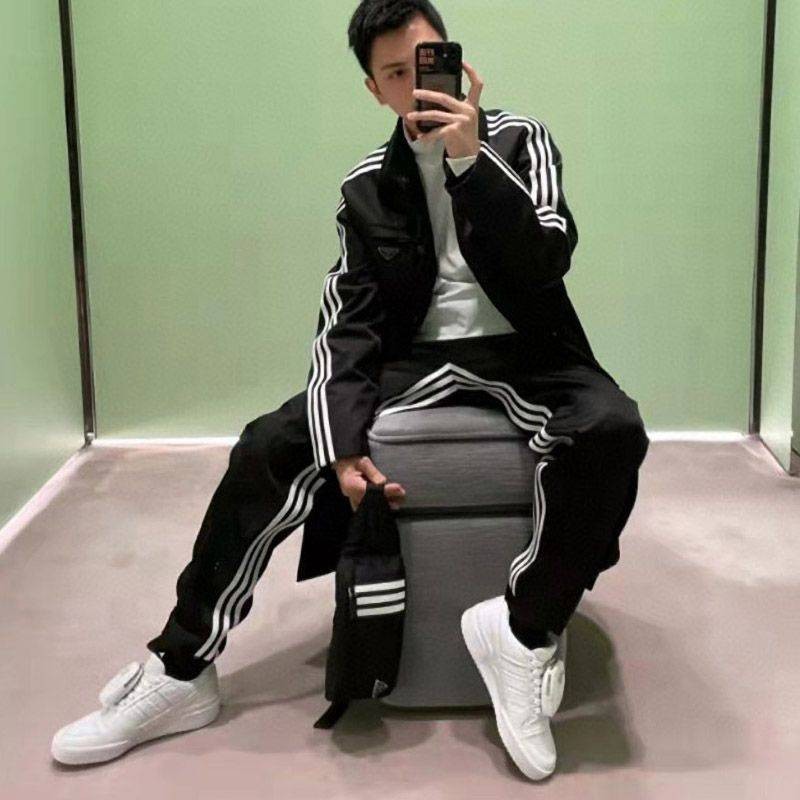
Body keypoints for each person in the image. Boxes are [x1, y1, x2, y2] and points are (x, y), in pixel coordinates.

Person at [51, 0, 649, 781]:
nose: (415, 83)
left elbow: (547, 259)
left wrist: (471, 162)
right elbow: (350, 322)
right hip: (412, 358)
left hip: (529, 351)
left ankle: (522, 632)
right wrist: (340, 448)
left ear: (457, 61)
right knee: (269, 444)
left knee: (612, 427)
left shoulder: (520, 139)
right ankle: (181, 667)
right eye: (395, 73)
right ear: (375, 89)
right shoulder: (368, 185)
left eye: (427, 61)